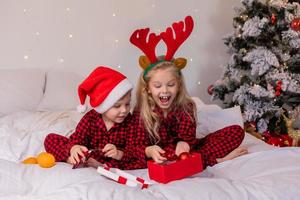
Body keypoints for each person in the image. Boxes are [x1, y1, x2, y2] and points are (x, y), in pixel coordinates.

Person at [130, 15, 247, 169]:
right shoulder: (141, 111)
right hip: (156, 157)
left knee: (236, 131)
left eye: (170, 84)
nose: (165, 90)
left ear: (178, 85)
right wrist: (149, 150)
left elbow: (188, 139)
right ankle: (215, 161)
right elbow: (134, 146)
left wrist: (183, 143)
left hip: (186, 152)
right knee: (136, 158)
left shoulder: (186, 107)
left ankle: (198, 160)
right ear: (148, 89)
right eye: (158, 86)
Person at [44, 66, 145, 170]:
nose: (124, 110)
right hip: (89, 153)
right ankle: (71, 159)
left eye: (127, 104)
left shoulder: (131, 121)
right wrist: (74, 148)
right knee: (50, 139)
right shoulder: (90, 118)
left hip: (114, 159)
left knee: (142, 159)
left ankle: (104, 166)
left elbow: (135, 149)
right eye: (117, 106)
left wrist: (119, 154)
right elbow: (78, 138)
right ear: (103, 106)